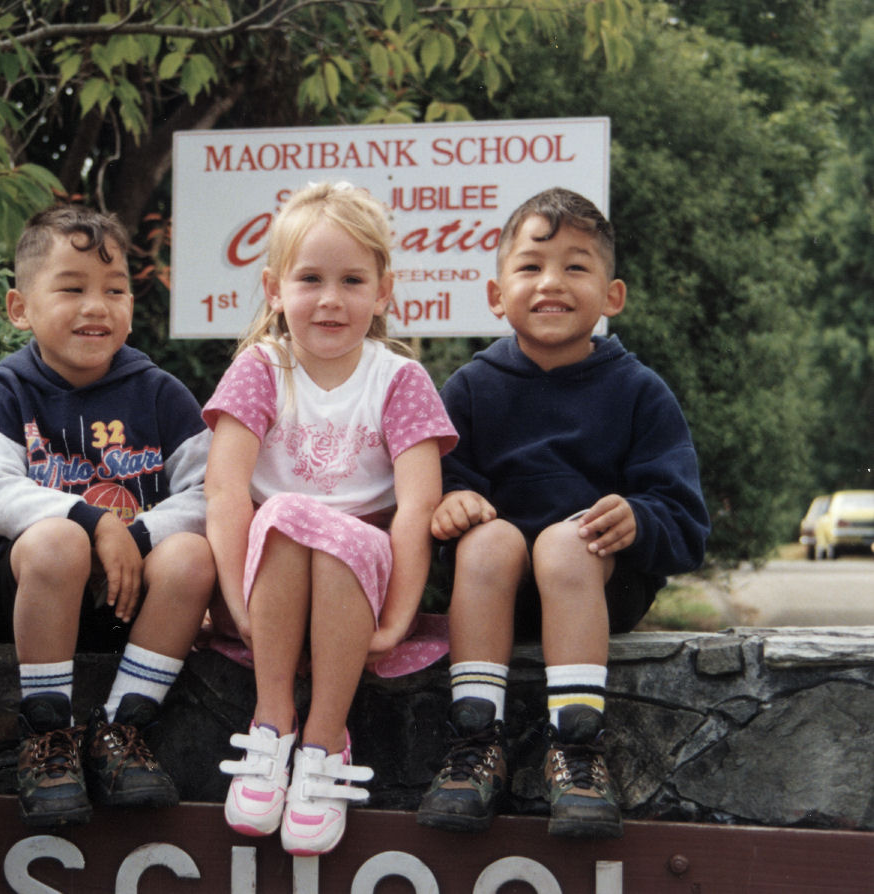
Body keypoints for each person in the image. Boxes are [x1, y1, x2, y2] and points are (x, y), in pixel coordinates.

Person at [416, 187, 710, 839]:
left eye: (576, 266)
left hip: (601, 590)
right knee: (488, 542)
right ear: (496, 296)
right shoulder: (469, 390)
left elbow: (686, 525)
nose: (551, 282)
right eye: (530, 266)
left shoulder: (640, 393)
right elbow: (433, 487)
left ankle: (577, 753)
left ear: (613, 296)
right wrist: (450, 501)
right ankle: (473, 748)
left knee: (564, 544)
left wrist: (639, 518)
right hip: (495, 594)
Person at [204, 182, 458, 856]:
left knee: (336, 533)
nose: (329, 299)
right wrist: (234, 599)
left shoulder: (399, 380)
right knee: (285, 515)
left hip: (360, 573)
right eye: (310, 278)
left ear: (382, 292)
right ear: (274, 288)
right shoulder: (260, 370)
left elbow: (416, 507)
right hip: (269, 574)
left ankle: (323, 744)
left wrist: (399, 617)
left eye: (352, 280)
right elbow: (227, 490)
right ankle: (271, 721)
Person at [0, 204, 215, 827]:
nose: (96, 306)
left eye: (114, 290)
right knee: (56, 543)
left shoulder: (160, 392)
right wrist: (94, 523)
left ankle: (121, 730)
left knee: (194, 556)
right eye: (72, 289)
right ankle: (46, 735)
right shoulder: (4, 390)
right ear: (20, 308)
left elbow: (213, 492)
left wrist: (140, 535)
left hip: (128, 599)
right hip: (29, 588)